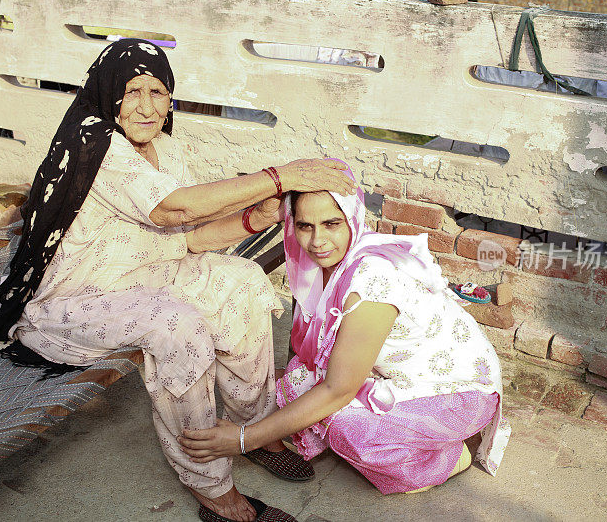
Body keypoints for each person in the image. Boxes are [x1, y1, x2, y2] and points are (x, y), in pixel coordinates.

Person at [0, 39, 354, 522]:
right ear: (108, 93)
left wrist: (253, 219)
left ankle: (252, 428)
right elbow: (174, 206)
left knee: (241, 281)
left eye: (158, 92)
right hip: (73, 299)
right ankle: (210, 485)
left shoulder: (165, 149)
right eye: (132, 91)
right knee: (178, 327)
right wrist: (282, 176)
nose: (146, 106)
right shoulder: (98, 146)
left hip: (147, 274)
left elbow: (189, 235)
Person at [179, 164, 511, 494]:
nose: (317, 241)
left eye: (332, 224)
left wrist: (242, 440)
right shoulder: (323, 263)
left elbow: (338, 390)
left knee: (344, 425)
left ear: (352, 217)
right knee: (298, 377)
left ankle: (446, 460)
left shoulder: (371, 280)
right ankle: (411, 429)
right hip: (404, 375)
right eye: (305, 226)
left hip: (460, 393)